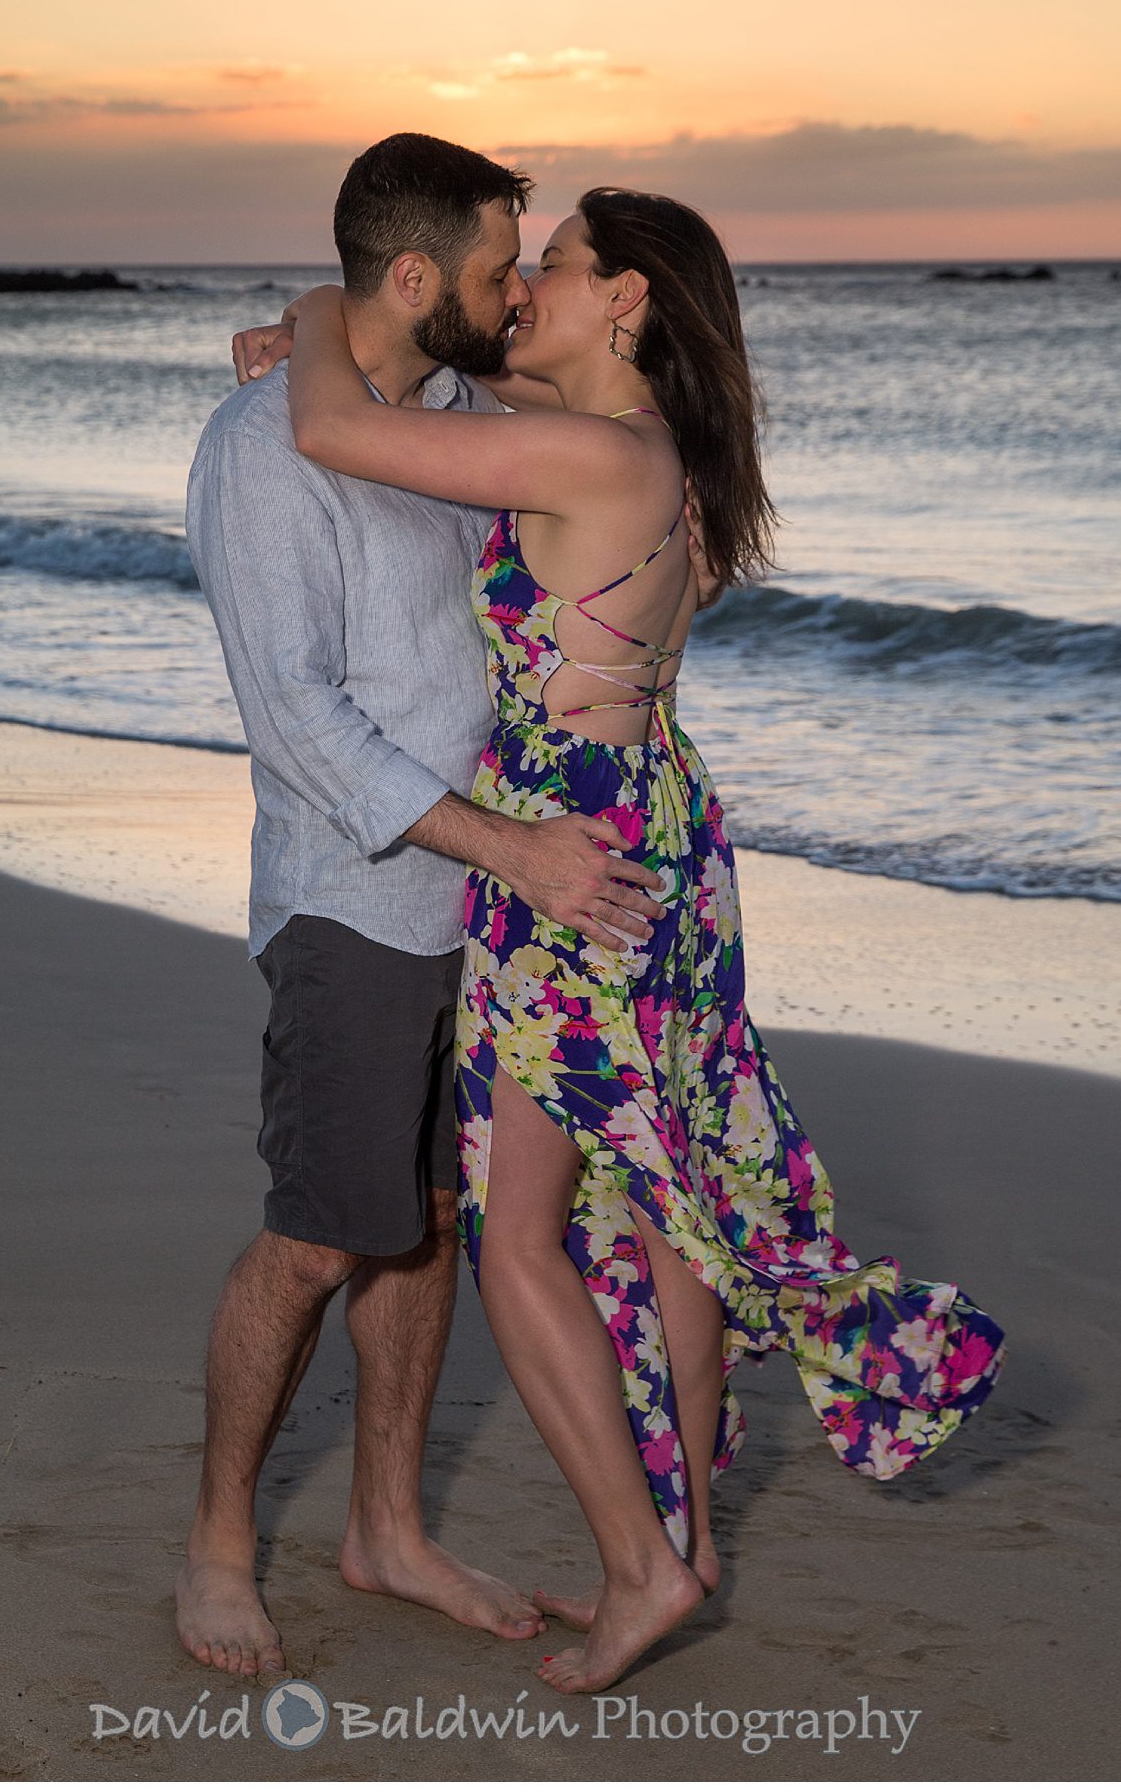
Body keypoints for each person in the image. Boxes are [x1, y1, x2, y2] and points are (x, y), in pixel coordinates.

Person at [268, 180, 1007, 1695]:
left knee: (514, 1229)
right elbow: (463, 385)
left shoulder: (580, 451)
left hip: (568, 850)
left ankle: (640, 1564)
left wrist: (305, 322)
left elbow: (334, 431)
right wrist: (413, 351)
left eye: (557, 263)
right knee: (669, 1201)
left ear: (628, 303)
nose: (525, 281)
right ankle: (686, 1531)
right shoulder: (665, 461)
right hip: (665, 831)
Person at [176, 133, 678, 1681]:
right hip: (356, 895)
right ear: (413, 279)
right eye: (489, 265)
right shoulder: (263, 447)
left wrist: (307, 316)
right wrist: (510, 845)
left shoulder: (474, 410)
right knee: (323, 1235)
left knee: (432, 1222)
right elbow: (301, 725)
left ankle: (387, 1525)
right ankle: (215, 1547)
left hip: (491, 903)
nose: (514, 285)